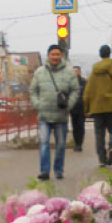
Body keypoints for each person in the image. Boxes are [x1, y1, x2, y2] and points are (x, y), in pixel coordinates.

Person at [29, 44, 80, 180]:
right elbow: (33, 90)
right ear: (48, 56)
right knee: (44, 143)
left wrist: (69, 104)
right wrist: (37, 104)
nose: (55, 57)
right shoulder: (39, 72)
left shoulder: (69, 72)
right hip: (44, 115)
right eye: (53, 54)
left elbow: (75, 90)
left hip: (61, 116)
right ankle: (44, 171)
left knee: (61, 144)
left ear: (61, 55)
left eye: (58, 54)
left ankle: (58, 170)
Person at [83, 44, 112, 167]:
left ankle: (101, 158)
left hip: (98, 107)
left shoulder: (94, 71)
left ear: (100, 54)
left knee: (99, 133)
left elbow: (88, 91)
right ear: (110, 53)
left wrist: (86, 108)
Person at [70, 65, 87, 151]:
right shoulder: (69, 82)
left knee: (81, 126)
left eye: (76, 71)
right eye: (73, 71)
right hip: (73, 108)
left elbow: (87, 95)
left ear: (79, 72)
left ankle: (80, 144)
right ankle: (76, 143)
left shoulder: (84, 82)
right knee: (74, 126)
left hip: (82, 107)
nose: (75, 73)